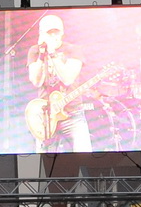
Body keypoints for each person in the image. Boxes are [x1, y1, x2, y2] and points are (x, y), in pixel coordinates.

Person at [26, 12, 92, 151]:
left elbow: (68, 79)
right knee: (44, 163)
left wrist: (53, 54)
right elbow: (36, 81)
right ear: (41, 34)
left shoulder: (73, 50)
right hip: (47, 116)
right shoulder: (35, 51)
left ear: (62, 33)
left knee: (84, 156)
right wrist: (41, 56)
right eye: (49, 33)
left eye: (57, 32)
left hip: (73, 114)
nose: (54, 36)